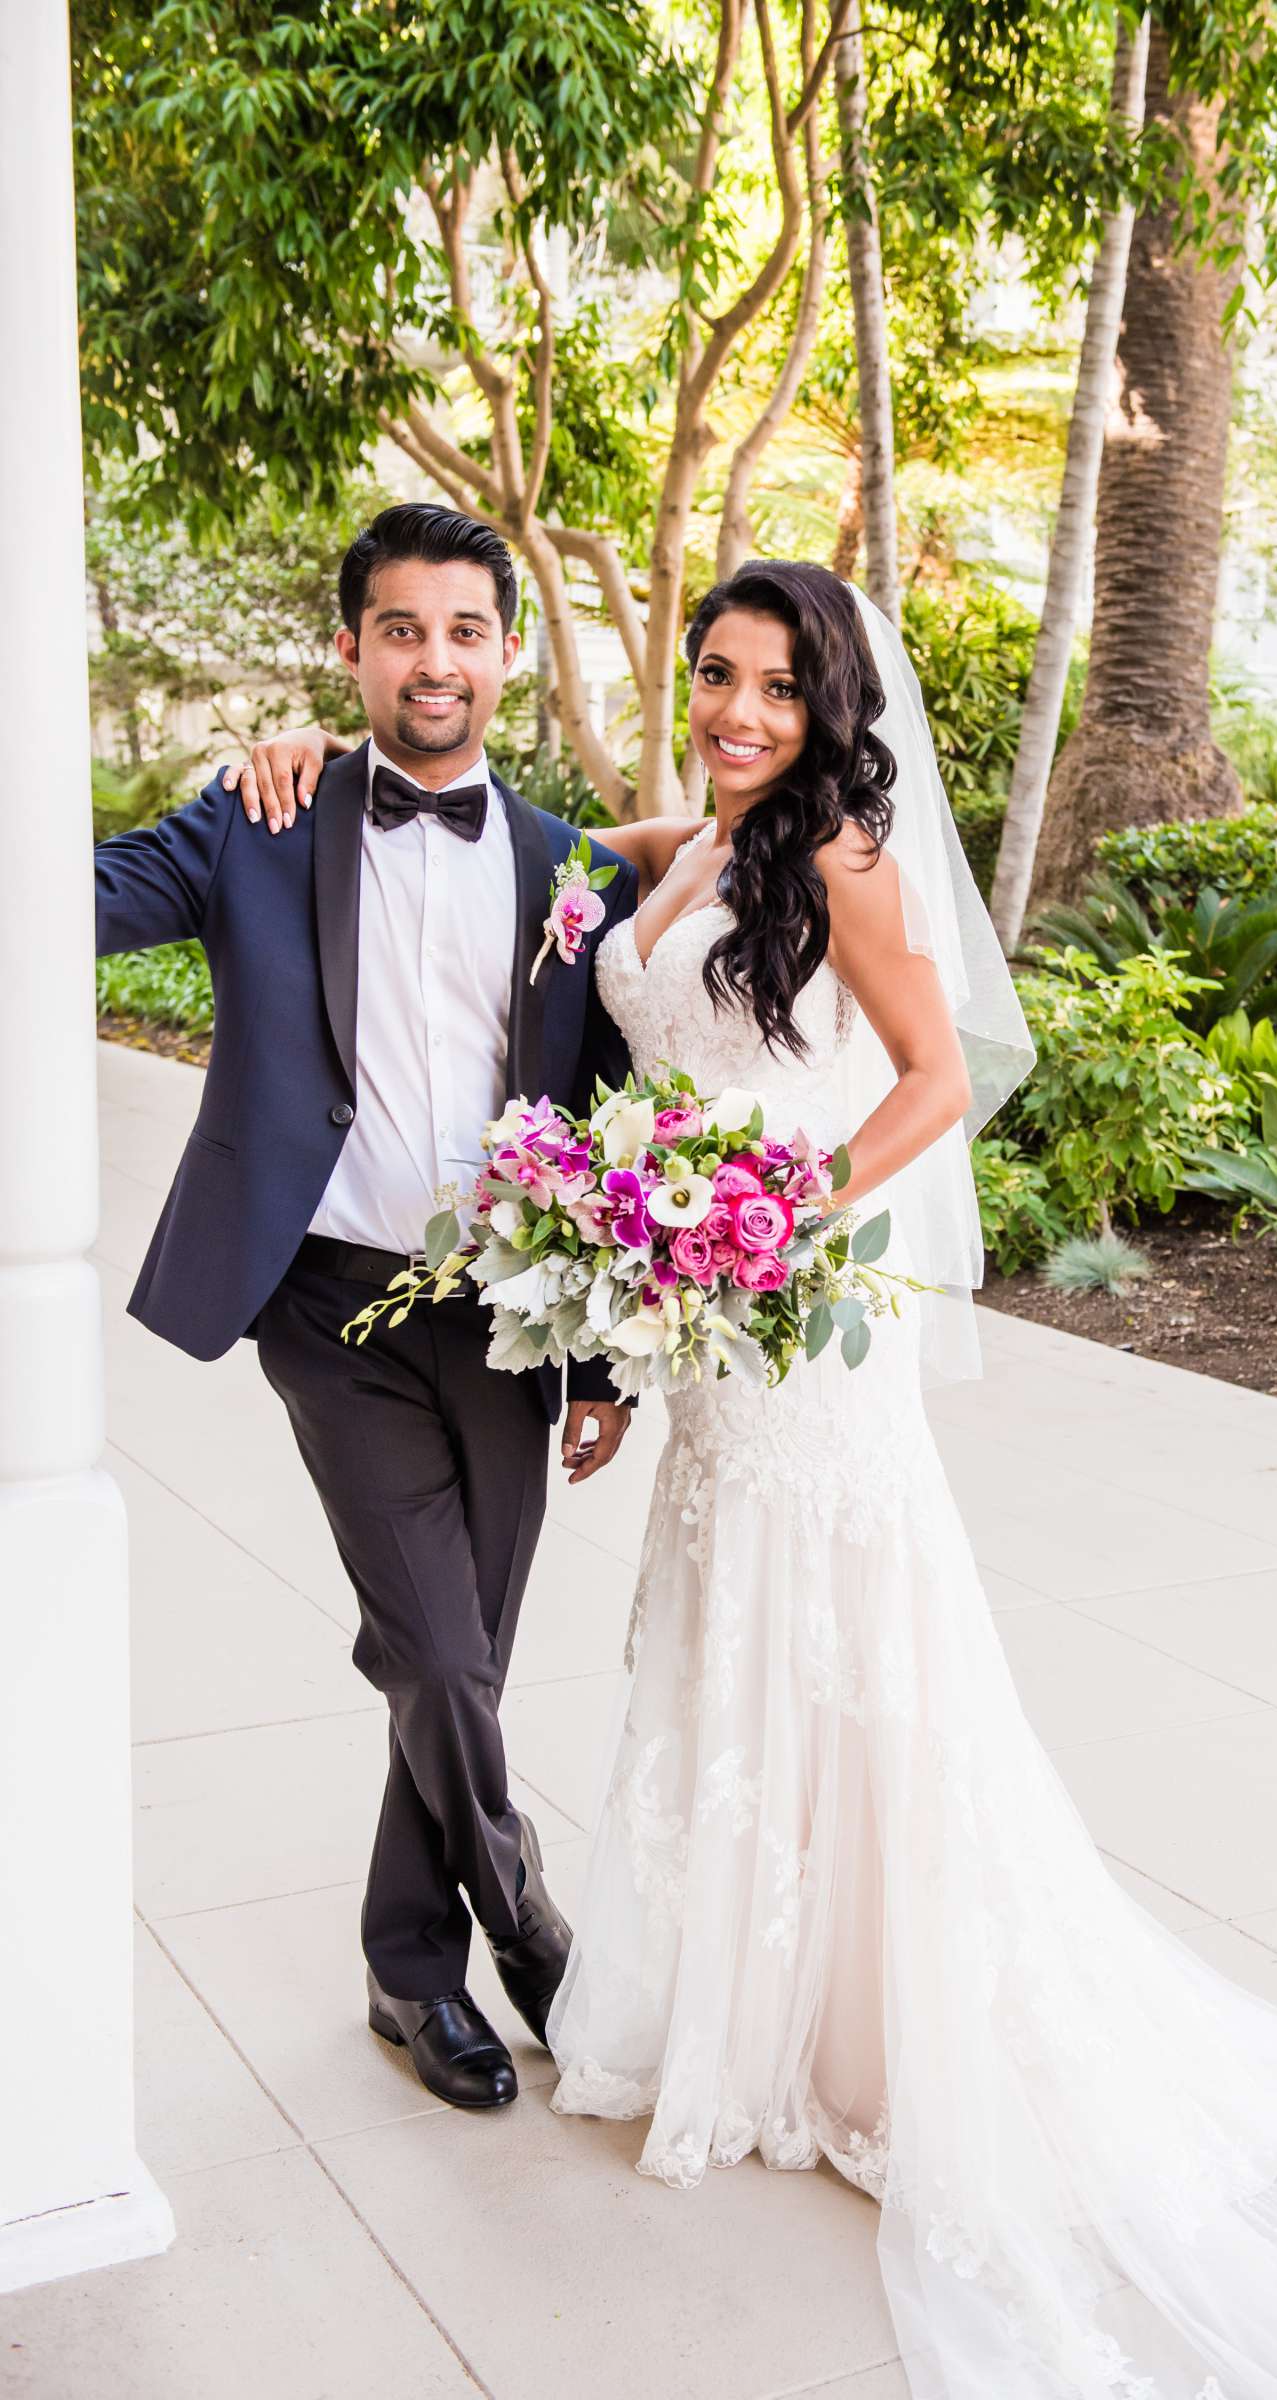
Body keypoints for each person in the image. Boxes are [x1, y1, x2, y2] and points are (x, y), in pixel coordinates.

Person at [236, 561, 1277, 2399]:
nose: (734, 711)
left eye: (776, 689)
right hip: (703, 1356)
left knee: (852, 1668)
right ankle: (748, 2005)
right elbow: (541, 858)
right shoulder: (683, 847)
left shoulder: (847, 861)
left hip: (794, 1345)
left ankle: (871, 2037)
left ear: (832, 705)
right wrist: (307, 763)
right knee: (729, 1659)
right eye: (715, 675)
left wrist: (766, 1224)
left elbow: (941, 1074)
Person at [95, 502, 639, 2116]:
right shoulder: (260, 822)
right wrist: (247, 763)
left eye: (464, 630)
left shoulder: (565, 871)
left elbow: (605, 1121)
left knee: (446, 1655)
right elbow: (76, 899)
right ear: (351, 651)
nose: (434, 660)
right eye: (401, 629)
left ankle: (409, 1972)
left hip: (507, 1313)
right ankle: (527, 1924)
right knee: (442, 1655)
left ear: (506, 654)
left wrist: (601, 1353)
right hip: (327, 1302)